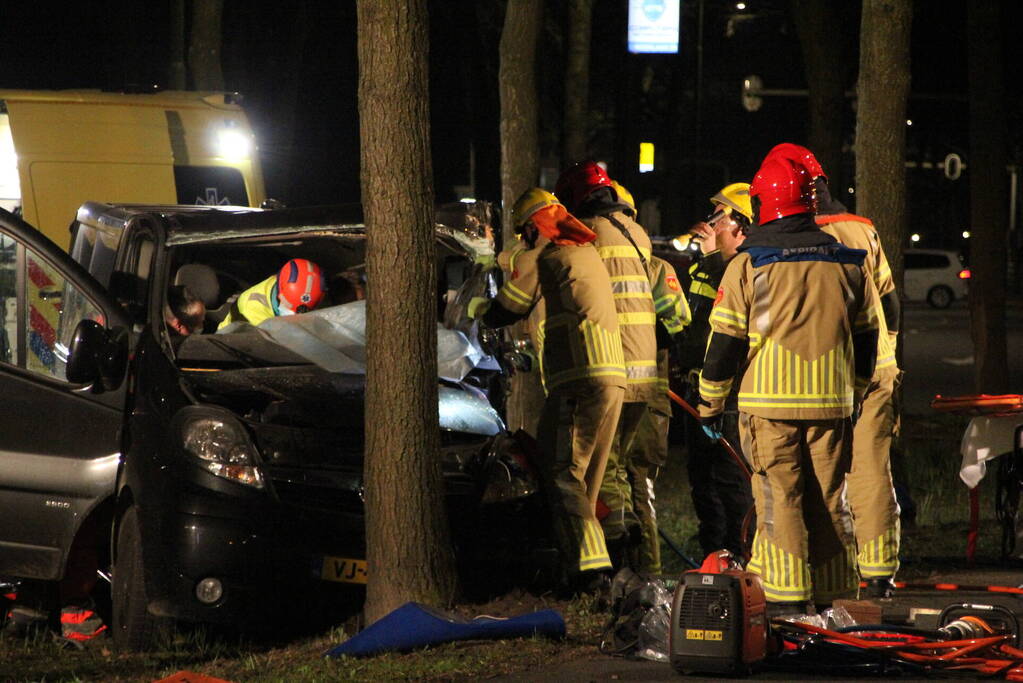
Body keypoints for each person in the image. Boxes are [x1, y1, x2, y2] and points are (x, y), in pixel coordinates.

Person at [699, 146, 879, 617]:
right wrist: (855, 393)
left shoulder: (748, 265)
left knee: (780, 500)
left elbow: (723, 349)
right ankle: (836, 602)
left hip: (769, 409)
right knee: (829, 500)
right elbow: (868, 339)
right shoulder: (850, 262)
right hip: (832, 406)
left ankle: (785, 604)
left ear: (765, 204)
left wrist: (709, 408)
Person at [470, 188, 626, 593]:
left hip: (579, 377)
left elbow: (512, 305)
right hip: (613, 378)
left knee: (561, 473)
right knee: (587, 478)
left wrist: (479, 312)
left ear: (531, 228)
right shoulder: (585, 253)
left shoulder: (548, 256)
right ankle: (594, 562)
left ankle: (592, 573)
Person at [769, 143, 903, 598]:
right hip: (876, 369)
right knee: (870, 470)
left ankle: (809, 578)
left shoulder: (793, 235)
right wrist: (888, 352)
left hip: (825, 375)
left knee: (814, 483)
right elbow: (889, 302)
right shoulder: (863, 230)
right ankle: (878, 572)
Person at [555, 162, 659, 567]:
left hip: (613, 361)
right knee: (627, 469)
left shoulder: (589, 234)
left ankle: (617, 558)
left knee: (606, 468)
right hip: (645, 366)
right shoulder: (635, 232)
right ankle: (647, 565)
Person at [600, 180, 691, 575]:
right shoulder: (639, 266)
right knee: (626, 480)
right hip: (637, 390)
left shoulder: (652, 268)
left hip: (638, 391)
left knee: (630, 479)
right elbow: (678, 321)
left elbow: (679, 324)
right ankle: (635, 572)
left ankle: (642, 573)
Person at [675, 183, 756, 561]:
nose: (712, 227)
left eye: (721, 219)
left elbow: (710, 330)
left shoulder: (744, 269)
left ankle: (739, 556)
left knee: (730, 478)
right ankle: (714, 555)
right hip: (699, 388)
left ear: (742, 227)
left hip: (729, 392)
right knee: (702, 480)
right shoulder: (712, 266)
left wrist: (708, 264)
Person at [217, 258, 326, 330]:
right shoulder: (251, 310)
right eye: (290, 308)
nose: (295, 316)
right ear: (279, 293)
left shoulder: (314, 297)